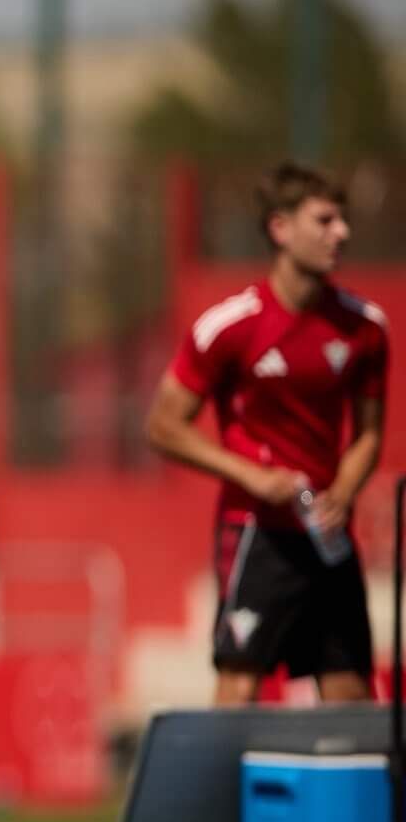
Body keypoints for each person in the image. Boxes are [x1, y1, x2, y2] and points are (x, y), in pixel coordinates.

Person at [144, 161, 388, 706]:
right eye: (324, 220)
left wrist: (343, 491)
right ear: (281, 228)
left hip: (326, 535)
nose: (341, 233)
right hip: (256, 532)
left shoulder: (365, 328)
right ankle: (223, 770)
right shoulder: (231, 326)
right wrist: (253, 476)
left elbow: (370, 436)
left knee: (350, 694)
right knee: (239, 688)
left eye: (343, 220)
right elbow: (162, 426)